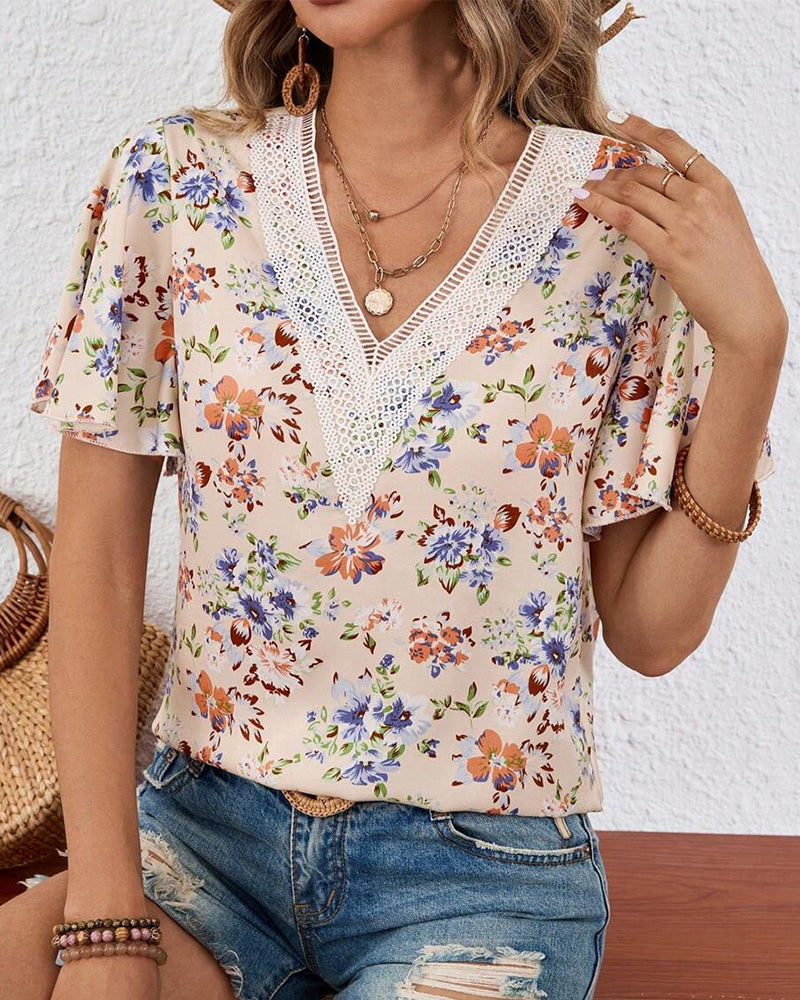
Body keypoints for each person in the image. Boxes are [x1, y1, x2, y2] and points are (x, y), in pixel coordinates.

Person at [3, 1, 787, 998]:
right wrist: (105, 916)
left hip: (477, 885)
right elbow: (101, 563)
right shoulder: (178, 179)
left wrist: (752, 349)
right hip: (196, 845)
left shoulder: (619, 216)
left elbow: (651, 631)